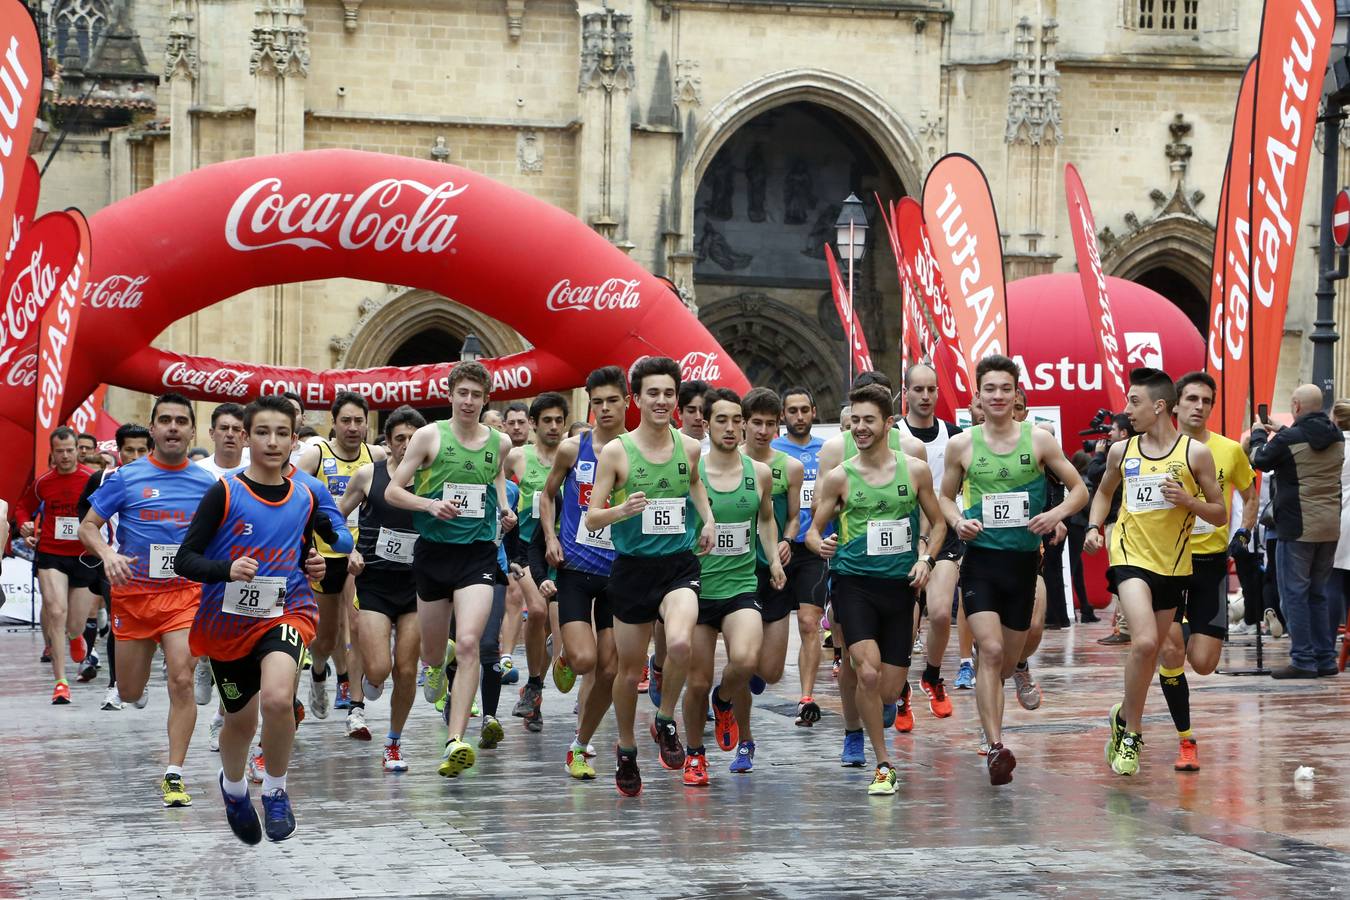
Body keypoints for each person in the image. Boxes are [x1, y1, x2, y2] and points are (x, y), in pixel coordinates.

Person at [175, 394, 348, 843]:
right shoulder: (225, 491)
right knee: (241, 722)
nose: (273, 441)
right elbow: (184, 560)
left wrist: (320, 561)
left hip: (288, 610)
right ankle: (233, 789)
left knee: (276, 699)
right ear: (247, 438)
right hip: (228, 622)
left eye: (282, 433)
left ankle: (275, 791)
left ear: (295, 439)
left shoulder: (308, 492)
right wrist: (225, 570)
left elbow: (337, 537)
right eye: (263, 432)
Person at [939, 356, 1087, 784]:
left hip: (1024, 564)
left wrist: (1053, 514)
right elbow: (945, 498)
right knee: (990, 651)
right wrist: (957, 522)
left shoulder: (1039, 440)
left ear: (1017, 394)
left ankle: (1012, 683)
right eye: (991, 389)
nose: (998, 396)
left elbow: (1079, 489)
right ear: (979, 396)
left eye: (1006, 389)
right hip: (981, 562)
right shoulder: (962, 445)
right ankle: (995, 745)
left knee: (1007, 659)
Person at [79, 392, 219, 807]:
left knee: (181, 677)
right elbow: (88, 526)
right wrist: (107, 554)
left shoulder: (207, 483)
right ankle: (132, 687)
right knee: (128, 691)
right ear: (153, 428)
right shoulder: (126, 477)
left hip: (184, 595)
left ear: (192, 430)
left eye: (181, 421)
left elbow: (226, 533)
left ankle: (174, 773)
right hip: (134, 596)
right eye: (165, 420)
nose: (173, 427)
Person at [1085, 368, 1226, 777]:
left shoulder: (1194, 454)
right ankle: (1133, 733)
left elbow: (1219, 514)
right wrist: (1095, 527)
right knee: (1145, 642)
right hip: (1129, 557)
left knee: (1149, 655)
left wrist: (1188, 500)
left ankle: (1123, 717)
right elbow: (1105, 492)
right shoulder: (1121, 451)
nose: (1127, 411)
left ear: (1158, 407)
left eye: (1134, 402)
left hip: (1174, 566)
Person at [586, 356, 715, 797]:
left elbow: (695, 483)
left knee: (680, 643)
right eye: (652, 393)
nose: (661, 401)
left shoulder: (690, 447)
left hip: (678, 565)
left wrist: (708, 519)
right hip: (633, 570)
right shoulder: (617, 451)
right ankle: (626, 748)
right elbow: (591, 518)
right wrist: (620, 510)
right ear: (635, 399)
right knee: (626, 671)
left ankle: (664, 717)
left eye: (668, 393)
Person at [806, 383, 944, 795]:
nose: (861, 428)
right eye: (855, 420)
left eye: (869, 420)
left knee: (887, 687)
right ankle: (883, 763)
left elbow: (937, 523)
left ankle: (882, 706)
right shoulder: (839, 477)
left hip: (900, 586)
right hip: (853, 583)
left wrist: (926, 560)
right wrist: (821, 543)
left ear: (888, 423)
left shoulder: (914, 469)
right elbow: (813, 532)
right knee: (865, 670)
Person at [384, 361, 515, 779]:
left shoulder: (500, 441)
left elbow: (494, 477)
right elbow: (393, 490)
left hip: (477, 554)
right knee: (433, 650)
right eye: (464, 393)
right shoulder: (429, 436)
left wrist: (506, 507)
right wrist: (429, 504)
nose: (470, 402)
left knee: (471, 642)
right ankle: (434, 667)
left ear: (486, 398)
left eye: (477, 395)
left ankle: (455, 739)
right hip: (434, 554)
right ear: (451, 394)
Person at [1150, 372, 1257, 769]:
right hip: (1167, 563)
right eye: (1191, 398)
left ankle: (1185, 631)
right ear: (1174, 405)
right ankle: (1185, 739)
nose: (1198, 406)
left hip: (1210, 564)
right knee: (1172, 650)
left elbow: (1249, 493)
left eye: (1206, 400)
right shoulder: (1154, 450)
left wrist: (1244, 530)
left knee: (1205, 663)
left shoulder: (1230, 450)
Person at [682, 388, 785, 784]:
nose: (731, 427)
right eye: (721, 420)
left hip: (741, 585)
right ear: (706, 425)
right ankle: (694, 753)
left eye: (736, 420)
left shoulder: (758, 473)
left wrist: (773, 558)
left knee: (744, 661)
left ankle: (723, 702)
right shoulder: (693, 471)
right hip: (696, 589)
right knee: (697, 680)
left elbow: (765, 520)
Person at [538, 366, 628, 780]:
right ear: (588, 405)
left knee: (608, 670)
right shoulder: (574, 449)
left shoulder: (639, 451)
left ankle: (579, 743)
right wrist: (550, 539)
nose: (605, 408)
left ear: (628, 402)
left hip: (621, 574)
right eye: (597, 402)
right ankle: (565, 652)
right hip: (575, 566)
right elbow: (548, 494)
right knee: (585, 658)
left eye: (612, 400)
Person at [336, 405, 427, 772]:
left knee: (406, 669)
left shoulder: (432, 479)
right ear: (387, 443)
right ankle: (370, 682)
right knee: (379, 668)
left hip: (417, 585)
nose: (406, 445)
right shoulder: (367, 476)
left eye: (412, 438)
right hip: (374, 582)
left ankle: (393, 742)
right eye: (399, 438)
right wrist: (350, 551)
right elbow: (335, 518)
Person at [296, 391, 386, 732]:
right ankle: (319, 670)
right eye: (345, 420)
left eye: (359, 421)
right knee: (325, 637)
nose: (352, 427)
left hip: (362, 555)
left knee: (358, 624)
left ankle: (355, 701)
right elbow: (292, 493)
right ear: (334, 423)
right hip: (323, 555)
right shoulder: (316, 454)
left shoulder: (375, 455)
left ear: (367, 424)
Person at [1250, 384, 1345, 679]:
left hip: (1298, 525)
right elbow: (1305, 440)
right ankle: (1325, 658)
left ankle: (1303, 660)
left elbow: (1259, 459)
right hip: (1329, 526)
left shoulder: (1290, 438)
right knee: (1317, 593)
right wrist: (1281, 429)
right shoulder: (1335, 434)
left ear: (1295, 405)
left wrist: (1258, 432)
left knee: (1294, 594)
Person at [736, 386, 801, 770]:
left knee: (772, 670)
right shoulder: (725, 462)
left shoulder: (788, 468)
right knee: (743, 663)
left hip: (775, 567)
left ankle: (739, 684)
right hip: (737, 571)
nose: (762, 430)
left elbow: (792, 515)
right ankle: (745, 741)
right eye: (755, 423)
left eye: (769, 424)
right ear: (743, 424)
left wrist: (788, 540)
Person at [895, 363, 962, 720]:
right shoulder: (893, 434)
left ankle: (933, 676)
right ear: (905, 393)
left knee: (938, 613)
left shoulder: (955, 435)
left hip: (944, 531)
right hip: (904, 534)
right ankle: (901, 688)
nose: (924, 396)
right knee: (906, 622)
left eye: (931, 389)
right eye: (917, 389)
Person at [645, 378, 714, 704]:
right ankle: (660, 665)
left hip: (713, 547)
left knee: (697, 627)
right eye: (691, 411)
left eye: (703, 411)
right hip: (672, 546)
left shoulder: (721, 443)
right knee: (668, 619)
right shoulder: (671, 444)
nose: (699, 417)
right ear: (679, 412)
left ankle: (698, 690)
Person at [504, 392, 569, 732]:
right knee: (539, 610)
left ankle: (536, 693)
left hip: (562, 553)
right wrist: (503, 512)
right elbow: (493, 485)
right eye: (547, 420)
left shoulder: (572, 457)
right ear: (533, 423)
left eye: (560, 420)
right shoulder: (517, 456)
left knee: (553, 626)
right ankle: (532, 682)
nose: (555, 427)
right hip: (526, 549)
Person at [17, 427, 96, 703]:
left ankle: (77, 637)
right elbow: (22, 507)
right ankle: (61, 682)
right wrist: (26, 525)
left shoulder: (91, 479)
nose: (65, 456)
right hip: (51, 553)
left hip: (84, 556)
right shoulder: (44, 482)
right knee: (55, 611)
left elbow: (110, 510)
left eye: (70, 450)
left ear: (78, 450)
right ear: (52, 453)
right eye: (59, 451)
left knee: (75, 624)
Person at [77, 422, 153, 710]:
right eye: (129, 450)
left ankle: (138, 679)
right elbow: (84, 511)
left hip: (154, 568)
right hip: (114, 564)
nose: (134, 456)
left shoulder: (159, 479)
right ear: (118, 451)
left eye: (141, 450)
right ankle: (115, 687)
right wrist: (104, 549)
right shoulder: (104, 478)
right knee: (119, 625)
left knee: (148, 628)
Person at [769, 386, 828, 726]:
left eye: (805, 410)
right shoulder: (773, 451)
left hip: (813, 548)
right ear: (783, 416)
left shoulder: (828, 451)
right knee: (769, 628)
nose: (800, 417)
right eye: (792, 411)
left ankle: (806, 697)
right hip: (778, 548)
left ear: (814, 411)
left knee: (809, 622)